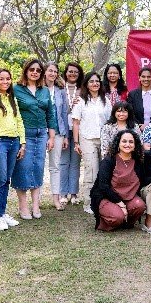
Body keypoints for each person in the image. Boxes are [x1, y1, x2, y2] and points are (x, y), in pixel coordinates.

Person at [12, 59, 58, 220]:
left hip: (42, 134)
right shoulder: (16, 89)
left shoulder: (44, 90)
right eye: (32, 69)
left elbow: (50, 114)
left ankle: (36, 206)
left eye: (38, 70)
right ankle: (23, 206)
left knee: (38, 168)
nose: (35, 72)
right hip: (24, 135)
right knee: (23, 168)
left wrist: (51, 137)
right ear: (26, 71)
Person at [0, 68, 26, 231]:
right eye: (1, 79)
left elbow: (19, 120)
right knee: (0, 179)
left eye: (8, 79)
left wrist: (23, 143)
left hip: (14, 141)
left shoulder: (11, 97)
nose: (5, 82)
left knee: (7, 179)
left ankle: (2, 212)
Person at [90, 130, 147, 231]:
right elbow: (103, 186)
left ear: (135, 145)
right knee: (117, 217)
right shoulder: (109, 161)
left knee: (140, 206)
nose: (127, 144)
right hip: (108, 197)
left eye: (131, 142)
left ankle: (126, 223)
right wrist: (120, 203)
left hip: (129, 198)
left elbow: (143, 179)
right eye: (124, 141)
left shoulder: (138, 161)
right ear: (118, 143)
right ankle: (107, 221)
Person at [72, 71, 112, 214]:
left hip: (104, 140)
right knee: (91, 171)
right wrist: (76, 143)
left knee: (104, 171)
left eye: (97, 81)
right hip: (87, 139)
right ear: (86, 84)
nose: (95, 84)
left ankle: (102, 200)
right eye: (91, 81)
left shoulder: (105, 100)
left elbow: (110, 121)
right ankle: (88, 203)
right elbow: (76, 122)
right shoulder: (81, 101)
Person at [45, 61, 70, 211]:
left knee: (55, 166)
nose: (53, 74)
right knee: (37, 166)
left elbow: (64, 114)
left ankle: (56, 198)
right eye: (50, 71)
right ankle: (36, 199)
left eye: (55, 71)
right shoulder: (38, 89)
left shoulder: (60, 91)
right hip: (41, 132)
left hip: (59, 131)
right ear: (44, 72)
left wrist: (66, 135)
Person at [60, 62, 84, 206]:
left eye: (76, 72)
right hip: (63, 129)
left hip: (78, 130)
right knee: (63, 162)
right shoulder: (59, 89)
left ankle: (74, 193)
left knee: (75, 162)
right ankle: (63, 193)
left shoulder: (83, 90)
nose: (73, 74)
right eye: (70, 71)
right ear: (66, 73)